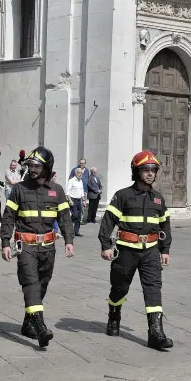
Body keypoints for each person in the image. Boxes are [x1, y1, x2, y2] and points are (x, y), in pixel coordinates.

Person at [98, 150, 173, 350]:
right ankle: (114, 316)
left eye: (153, 170)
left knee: (153, 288)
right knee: (119, 288)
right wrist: (106, 245)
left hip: (150, 251)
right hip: (126, 252)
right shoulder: (122, 195)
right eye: (145, 170)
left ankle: (156, 332)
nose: (150, 174)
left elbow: (165, 225)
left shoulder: (158, 198)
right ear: (136, 171)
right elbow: (107, 222)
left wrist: (164, 250)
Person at [1, 146, 75, 348]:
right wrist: (5, 242)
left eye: (37, 166)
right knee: (31, 283)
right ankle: (41, 327)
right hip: (26, 246)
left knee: (42, 283)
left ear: (47, 167)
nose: (32, 169)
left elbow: (65, 218)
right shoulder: (19, 189)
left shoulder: (57, 191)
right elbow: (8, 218)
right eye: (31, 166)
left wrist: (69, 240)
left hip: (48, 247)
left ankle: (28, 322)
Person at [66, 168, 87, 237]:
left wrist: (83, 200)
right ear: (75, 173)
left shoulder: (80, 181)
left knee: (78, 217)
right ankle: (68, 229)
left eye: (81, 172)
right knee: (74, 215)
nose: (80, 174)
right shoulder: (71, 181)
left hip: (78, 200)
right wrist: (70, 200)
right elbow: (67, 192)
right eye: (79, 172)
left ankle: (76, 231)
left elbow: (82, 191)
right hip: (72, 199)